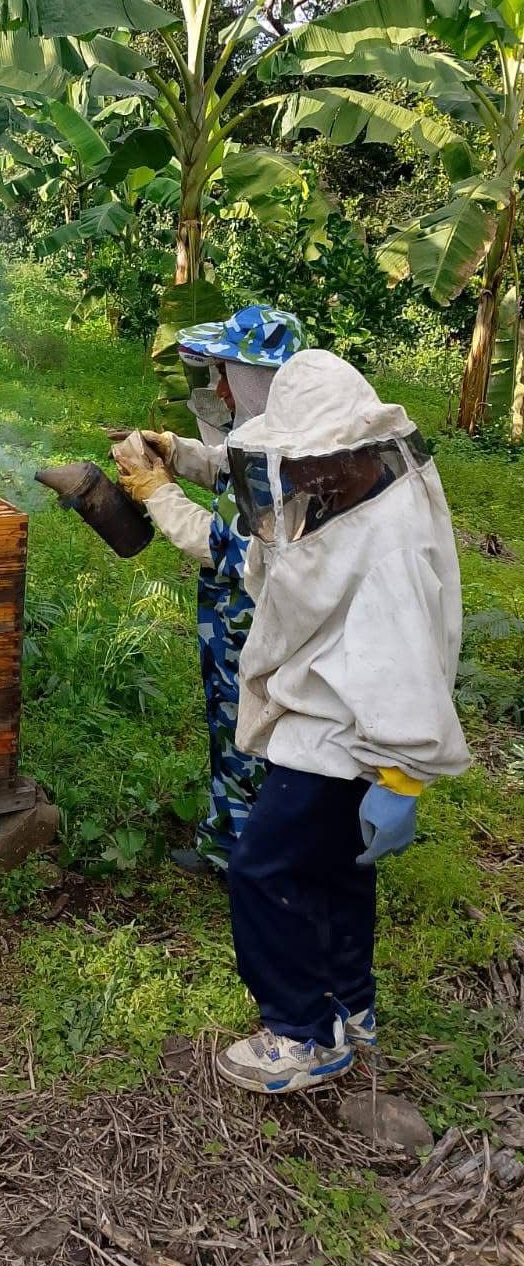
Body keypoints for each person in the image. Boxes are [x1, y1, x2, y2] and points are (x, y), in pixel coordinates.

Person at [215, 349, 469, 1093]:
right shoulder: (353, 493)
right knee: (334, 875)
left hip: (343, 738)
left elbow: (410, 658)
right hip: (334, 718)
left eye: (311, 458)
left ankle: (301, 1035)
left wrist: (402, 779)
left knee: (263, 872)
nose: (300, 473)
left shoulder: (391, 541)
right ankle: (350, 1008)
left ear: (352, 448)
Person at [112, 305, 307, 873]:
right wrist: (176, 451)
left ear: (258, 380)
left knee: (249, 730)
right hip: (234, 615)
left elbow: (221, 544)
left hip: (255, 621)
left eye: (228, 374)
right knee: (230, 724)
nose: (220, 388)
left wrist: (157, 491)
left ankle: (248, 859)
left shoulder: (287, 461)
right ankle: (229, 839)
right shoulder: (273, 434)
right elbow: (230, 464)